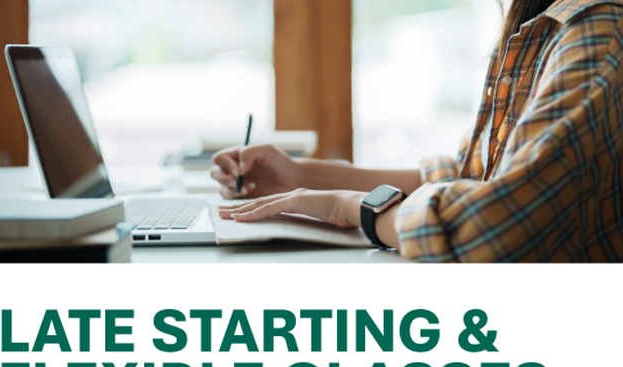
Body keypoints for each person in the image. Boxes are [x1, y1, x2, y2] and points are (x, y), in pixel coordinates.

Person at [211, 0, 623, 262]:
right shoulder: (545, 25)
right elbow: (465, 176)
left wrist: (350, 208)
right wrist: (302, 177)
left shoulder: (596, 32)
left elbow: (495, 227)